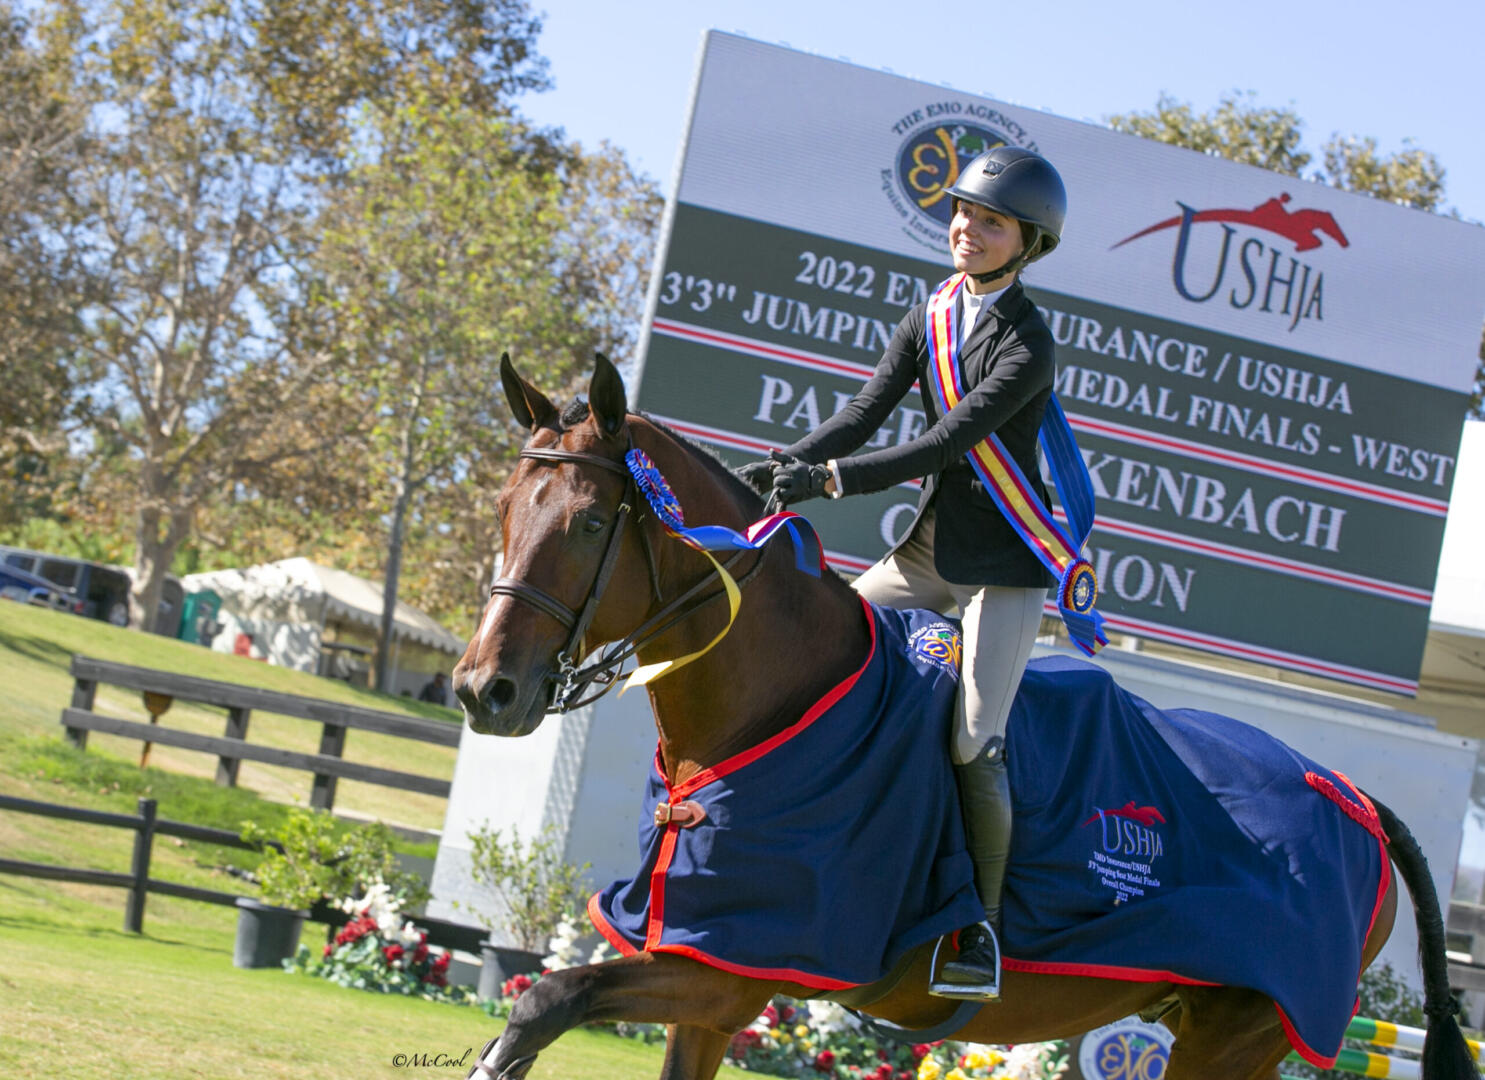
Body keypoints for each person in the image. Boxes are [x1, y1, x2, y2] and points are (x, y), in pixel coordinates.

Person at [738, 146, 1068, 1002]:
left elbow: (946, 442)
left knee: (971, 739)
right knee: (817, 657)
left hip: (1000, 571)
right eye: (962, 212)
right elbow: (862, 411)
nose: (968, 228)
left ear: (1026, 242)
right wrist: (778, 465)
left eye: (990, 221)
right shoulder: (931, 313)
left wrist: (833, 483)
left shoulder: (1029, 340)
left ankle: (980, 931)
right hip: (927, 553)